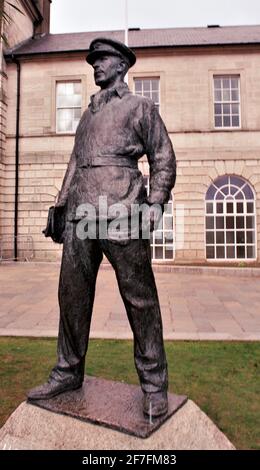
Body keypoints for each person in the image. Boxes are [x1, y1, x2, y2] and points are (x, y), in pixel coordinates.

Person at [28, 38, 176, 418]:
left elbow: (163, 157)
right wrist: (61, 205)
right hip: (81, 213)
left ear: (122, 65)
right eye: (93, 61)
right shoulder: (88, 115)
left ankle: (154, 384)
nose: (96, 65)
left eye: (103, 59)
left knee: (140, 300)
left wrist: (156, 203)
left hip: (123, 210)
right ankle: (67, 371)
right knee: (72, 297)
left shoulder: (139, 107)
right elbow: (76, 162)